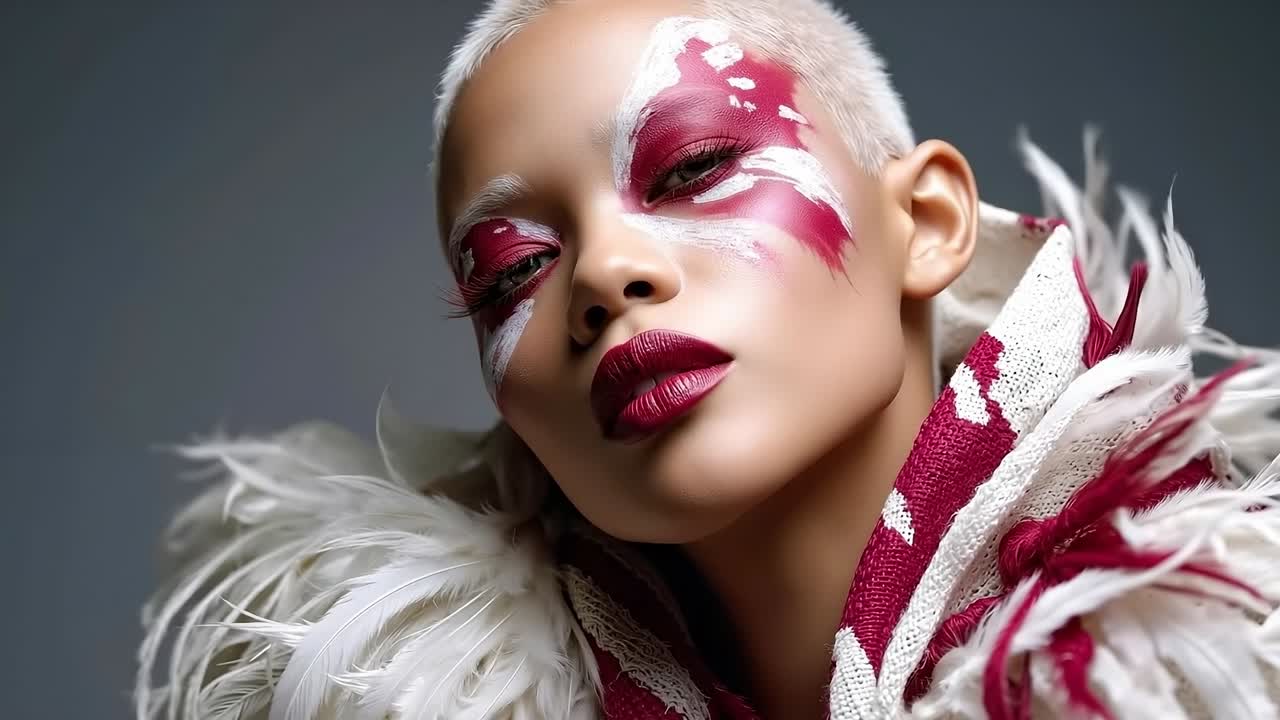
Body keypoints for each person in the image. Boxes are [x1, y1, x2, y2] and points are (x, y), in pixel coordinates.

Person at [135, 0, 1280, 718]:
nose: (600, 275)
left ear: (925, 224)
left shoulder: (1223, 658)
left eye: (687, 171)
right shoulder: (398, 696)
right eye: (509, 274)